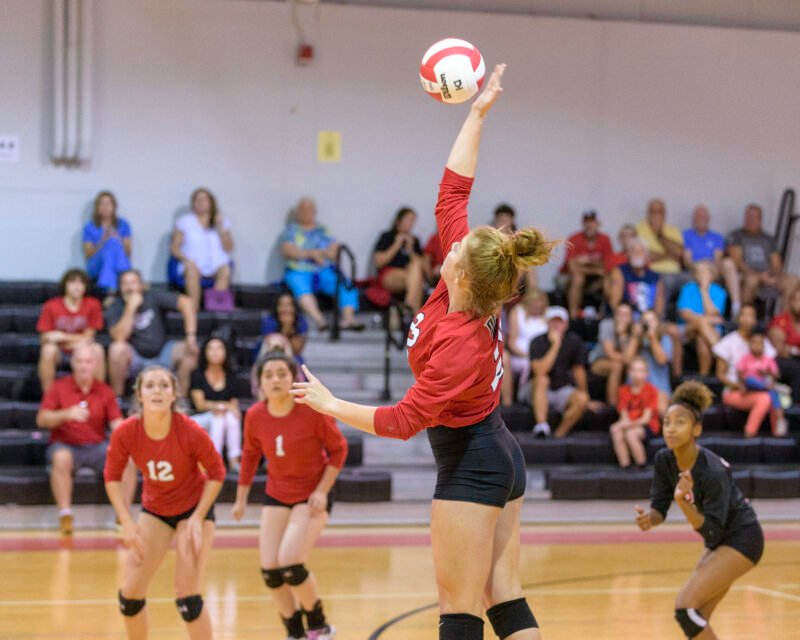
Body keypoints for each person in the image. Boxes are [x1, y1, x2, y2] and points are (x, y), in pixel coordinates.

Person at [290, 65, 550, 640]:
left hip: (473, 460)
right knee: (502, 598)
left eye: (454, 252)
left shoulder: (460, 343)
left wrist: (332, 405)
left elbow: (406, 420)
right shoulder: (464, 287)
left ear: (462, 274)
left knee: (458, 608)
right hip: (495, 451)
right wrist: (477, 113)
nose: (447, 248)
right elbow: (454, 187)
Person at [635, 381, 764, 640]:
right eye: (667, 422)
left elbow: (713, 532)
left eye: (680, 422)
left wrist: (684, 503)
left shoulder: (712, 471)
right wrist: (650, 518)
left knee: (685, 608)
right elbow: (660, 506)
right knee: (697, 616)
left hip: (743, 538)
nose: (670, 429)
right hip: (719, 538)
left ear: (697, 429)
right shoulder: (664, 459)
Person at [104, 366, 225, 640]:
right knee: (129, 596)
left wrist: (197, 518)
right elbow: (111, 476)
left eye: (163, 385)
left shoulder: (190, 430)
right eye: (150, 386)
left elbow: (217, 473)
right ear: (139, 395)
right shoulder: (126, 432)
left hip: (193, 511)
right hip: (156, 510)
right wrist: (126, 520)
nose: (157, 390)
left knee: (187, 598)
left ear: (174, 395)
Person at [232, 352, 347, 640]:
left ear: (292, 378)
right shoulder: (256, 415)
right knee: (270, 570)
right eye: (268, 375)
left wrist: (322, 490)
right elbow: (249, 455)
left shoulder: (310, 409)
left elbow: (339, 449)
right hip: (277, 493)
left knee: (291, 562)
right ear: (259, 382)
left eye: (282, 373)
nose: (275, 380)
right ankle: (295, 633)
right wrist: (241, 498)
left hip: (311, 494)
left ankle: (320, 627)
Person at [36, 342, 134, 535]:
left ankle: (123, 514)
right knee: (61, 458)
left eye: (88, 361)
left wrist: (130, 430)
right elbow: (42, 419)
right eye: (79, 361)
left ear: (95, 364)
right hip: (66, 445)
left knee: (128, 460)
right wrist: (65, 414)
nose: (83, 366)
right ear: (72, 363)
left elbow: (116, 424)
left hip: (97, 446)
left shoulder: (104, 390)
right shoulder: (58, 387)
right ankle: (65, 514)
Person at [106, 269, 199, 398]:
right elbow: (119, 337)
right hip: (135, 358)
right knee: (116, 349)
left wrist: (191, 336)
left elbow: (187, 303)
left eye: (133, 282)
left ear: (141, 285)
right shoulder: (115, 306)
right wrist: (131, 308)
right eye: (125, 283)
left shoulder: (152, 296)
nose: (129, 287)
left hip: (162, 353)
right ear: (120, 287)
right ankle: (118, 399)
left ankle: (180, 401)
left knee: (191, 351)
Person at [281, 197, 364, 332]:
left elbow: (334, 252)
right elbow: (288, 251)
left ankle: (349, 318)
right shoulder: (292, 230)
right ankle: (319, 320)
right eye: (302, 209)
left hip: (323, 270)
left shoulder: (323, 230)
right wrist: (313, 254)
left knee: (346, 285)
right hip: (299, 270)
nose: (306, 212)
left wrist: (314, 253)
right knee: (300, 288)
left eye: (309, 209)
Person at [713, 304, 779, 439]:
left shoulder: (762, 342)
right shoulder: (728, 342)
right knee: (766, 398)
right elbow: (720, 374)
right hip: (735, 391)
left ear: (756, 320)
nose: (747, 319)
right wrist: (738, 386)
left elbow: (771, 369)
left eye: (751, 316)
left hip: (759, 389)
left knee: (772, 396)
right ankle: (750, 433)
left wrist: (768, 379)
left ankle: (778, 432)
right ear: (738, 318)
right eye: (744, 315)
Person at [37, 268, 105, 392]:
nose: (77, 287)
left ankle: (98, 395)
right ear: (65, 285)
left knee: (97, 349)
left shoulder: (93, 304)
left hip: (81, 348)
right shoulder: (51, 305)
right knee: (48, 349)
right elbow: (44, 337)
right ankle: (48, 396)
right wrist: (76, 340)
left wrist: (61, 337)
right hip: (60, 351)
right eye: (73, 282)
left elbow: (90, 335)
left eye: (81, 283)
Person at [169, 188, 234, 311]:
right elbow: (174, 248)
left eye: (203, 199)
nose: (200, 202)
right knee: (191, 270)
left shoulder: (221, 222)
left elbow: (228, 247)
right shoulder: (185, 221)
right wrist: (186, 259)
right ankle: (194, 310)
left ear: (211, 202)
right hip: (192, 262)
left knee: (225, 269)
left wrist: (220, 228)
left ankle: (216, 310)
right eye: (197, 199)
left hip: (216, 262)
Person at [530, 306, 590, 438]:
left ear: (566, 324)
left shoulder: (574, 341)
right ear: (547, 323)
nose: (556, 325)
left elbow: (578, 369)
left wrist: (585, 393)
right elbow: (540, 371)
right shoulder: (537, 341)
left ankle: (559, 435)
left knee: (582, 399)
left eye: (560, 321)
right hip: (536, 390)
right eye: (553, 321)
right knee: (543, 380)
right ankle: (542, 425)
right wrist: (555, 346)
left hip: (562, 388)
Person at [725, 204, 799, 307]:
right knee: (751, 280)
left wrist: (773, 276)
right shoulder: (736, 235)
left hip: (767, 274)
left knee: (793, 280)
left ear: (760, 219)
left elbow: (777, 264)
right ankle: (744, 317)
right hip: (747, 274)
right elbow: (737, 261)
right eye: (748, 217)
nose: (751, 220)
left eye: (754, 217)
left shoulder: (769, 239)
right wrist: (759, 276)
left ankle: (785, 320)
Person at [189, 337, 242, 471]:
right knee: (219, 418)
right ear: (204, 352)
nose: (215, 352)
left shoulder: (231, 376)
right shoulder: (197, 374)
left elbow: (234, 408)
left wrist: (224, 408)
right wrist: (222, 406)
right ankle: (214, 460)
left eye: (219, 348)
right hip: (199, 418)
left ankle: (233, 460)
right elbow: (200, 405)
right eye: (211, 348)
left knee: (230, 418)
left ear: (226, 352)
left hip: (221, 418)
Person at [676, 261, 727, 376]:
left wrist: (704, 291)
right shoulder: (687, 289)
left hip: (710, 331)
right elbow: (684, 313)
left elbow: (713, 313)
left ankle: (703, 376)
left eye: (705, 271)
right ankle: (721, 353)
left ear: (712, 275)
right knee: (703, 322)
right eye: (698, 272)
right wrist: (705, 320)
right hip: (688, 329)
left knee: (701, 339)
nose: (701, 274)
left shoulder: (719, 291)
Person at [560, 210, 614, 318]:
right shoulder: (574, 238)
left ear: (598, 224)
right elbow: (572, 268)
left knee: (609, 279)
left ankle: (606, 315)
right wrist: (596, 267)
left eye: (592, 222)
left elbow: (608, 265)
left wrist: (586, 262)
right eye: (586, 222)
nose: (589, 225)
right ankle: (573, 317)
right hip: (568, 277)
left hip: (594, 278)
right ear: (582, 224)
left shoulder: (605, 239)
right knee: (578, 278)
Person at [610, 357, 660, 470]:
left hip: (648, 425)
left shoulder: (651, 390)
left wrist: (624, 425)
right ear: (629, 372)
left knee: (631, 434)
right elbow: (623, 415)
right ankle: (625, 466)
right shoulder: (623, 390)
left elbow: (646, 419)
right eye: (634, 370)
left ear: (646, 373)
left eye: (640, 370)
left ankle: (641, 465)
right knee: (616, 432)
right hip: (630, 423)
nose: (636, 373)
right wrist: (621, 425)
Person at [372, 207, 426, 311]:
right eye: (408, 219)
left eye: (413, 220)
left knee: (416, 273)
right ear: (399, 220)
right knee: (416, 281)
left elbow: (423, 266)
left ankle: (408, 307)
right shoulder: (387, 236)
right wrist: (396, 245)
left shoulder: (414, 240)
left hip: (409, 275)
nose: (411, 223)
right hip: (390, 274)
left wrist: (410, 250)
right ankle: (416, 320)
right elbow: (378, 262)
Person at [736, 332, 787, 436]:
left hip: (764, 385)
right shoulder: (745, 358)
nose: (757, 346)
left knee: (771, 392)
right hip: (751, 386)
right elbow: (741, 375)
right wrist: (742, 384)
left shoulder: (768, 359)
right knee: (750, 379)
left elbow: (777, 375)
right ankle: (775, 389)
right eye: (754, 343)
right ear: (749, 344)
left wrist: (766, 372)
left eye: (760, 343)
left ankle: (780, 421)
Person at [635, 198, 687, 303]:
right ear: (647, 213)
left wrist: (660, 235)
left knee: (693, 280)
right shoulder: (639, 229)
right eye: (653, 211)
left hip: (677, 273)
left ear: (664, 214)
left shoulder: (673, 230)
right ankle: (660, 316)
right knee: (666, 281)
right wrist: (669, 255)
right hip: (651, 272)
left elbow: (680, 253)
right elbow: (643, 256)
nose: (656, 215)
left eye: (659, 211)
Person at [501, 289, 547, 406]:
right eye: (534, 301)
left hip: (541, 356)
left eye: (540, 301)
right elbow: (511, 342)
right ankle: (520, 395)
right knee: (527, 364)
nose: (537, 304)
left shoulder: (548, 315)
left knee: (536, 363)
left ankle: (530, 395)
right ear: (528, 301)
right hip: (520, 355)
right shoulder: (517, 312)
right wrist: (527, 355)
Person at [82, 191, 132, 292]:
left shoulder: (123, 225)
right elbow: (88, 254)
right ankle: (125, 276)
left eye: (108, 204)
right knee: (109, 245)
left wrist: (118, 238)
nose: (105, 207)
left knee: (113, 243)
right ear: (97, 207)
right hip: (96, 266)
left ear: (114, 206)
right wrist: (103, 240)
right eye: (102, 204)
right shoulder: (90, 226)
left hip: (117, 262)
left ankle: (109, 288)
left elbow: (128, 252)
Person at [589, 303, 638, 405]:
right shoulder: (606, 324)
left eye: (626, 315)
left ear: (631, 317)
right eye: (620, 314)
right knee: (617, 365)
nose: (622, 318)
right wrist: (628, 360)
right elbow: (610, 353)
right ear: (615, 315)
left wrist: (622, 336)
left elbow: (629, 357)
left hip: (624, 362)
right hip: (599, 360)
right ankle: (613, 405)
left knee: (636, 368)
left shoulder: (635, 330)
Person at [608, 238, 664, 317]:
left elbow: (659, 306)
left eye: (641, 251)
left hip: (648, 319)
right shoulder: (619, 271)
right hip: (626, 318)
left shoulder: (655, 276)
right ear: (628, 254)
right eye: (633, 251)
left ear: (647, 256)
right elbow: (614, 303)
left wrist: (653, 320)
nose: (637, 254)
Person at [631, 310, 673, 416]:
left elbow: (662, 360)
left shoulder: (665, 339)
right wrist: (635, 337)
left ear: (658, 323)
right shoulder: (635, 338)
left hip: (658, 387)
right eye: (645, 321)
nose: (648, 324)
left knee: (661, 410)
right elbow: (627, 361)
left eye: (651, 321)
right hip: (635, 386)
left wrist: (652, 338)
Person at [768, 285, 800, 403]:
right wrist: (794, 351)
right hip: (777, 362)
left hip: (796, 359)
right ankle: (797, 409)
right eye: (797, 300)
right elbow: (780, 350)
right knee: (797, 368)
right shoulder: (781, 321)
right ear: (790, 301)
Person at [259, 292, 309, 366]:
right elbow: (274, 347)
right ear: (276, 307)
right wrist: (285, 328)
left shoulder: (301, 321)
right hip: (269, 354)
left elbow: (297, 350)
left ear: (294, 307)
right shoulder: (268, 321)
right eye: (281, 305)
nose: (285, 308)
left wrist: (289, 327)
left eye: (289, 305)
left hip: (292, 354)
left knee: (298, 362)